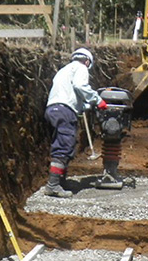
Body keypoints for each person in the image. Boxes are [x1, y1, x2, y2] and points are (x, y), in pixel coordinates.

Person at [43, 47, 107, 197]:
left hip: (53, 109)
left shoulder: (64, 70)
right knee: (64, 146)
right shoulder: (81, 68)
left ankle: (60, 181)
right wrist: (98, 100)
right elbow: (80, 86)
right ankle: (53, 185)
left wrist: (86, 105)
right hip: (64, 111)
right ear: (87, 61)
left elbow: (70, 95)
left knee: (63, 143)